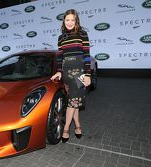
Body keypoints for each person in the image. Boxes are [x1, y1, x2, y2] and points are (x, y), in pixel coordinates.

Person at [51, 9, 91, 143]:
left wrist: (88, 74)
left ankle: (69, 128)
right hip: (67, 72)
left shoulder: (82, 34)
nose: (69, 22)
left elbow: (86, 56)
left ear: (76, 20)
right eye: (67, 20)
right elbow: (60, 57)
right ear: (64, 21)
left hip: (80, 72)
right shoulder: (61, 38)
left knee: (73, 101)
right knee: (75, 101)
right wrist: (58, 71)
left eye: (72, 20)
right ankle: (74, 127)